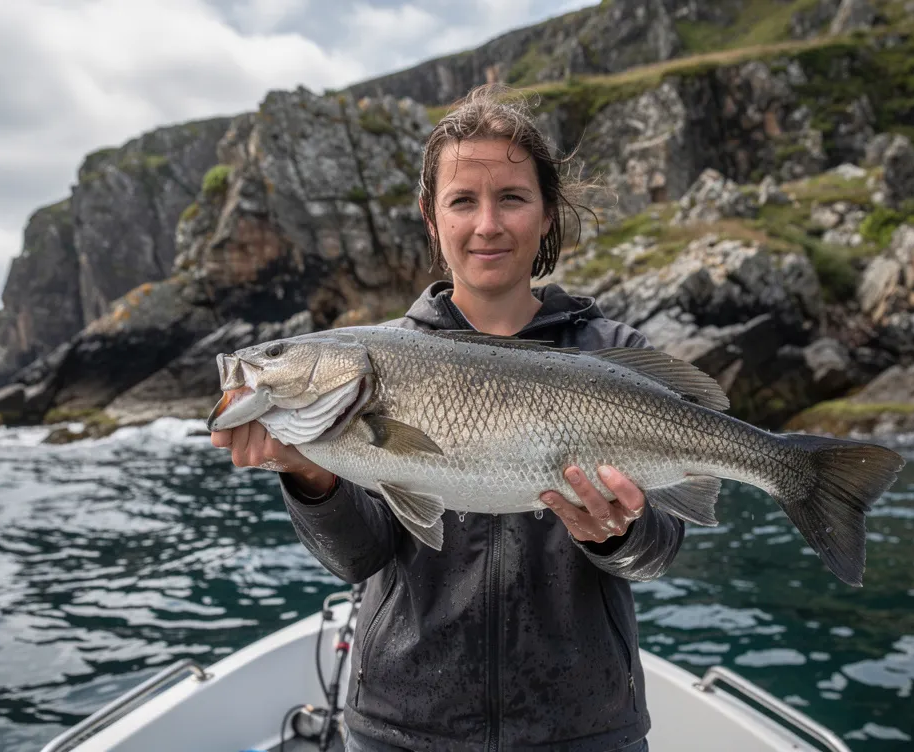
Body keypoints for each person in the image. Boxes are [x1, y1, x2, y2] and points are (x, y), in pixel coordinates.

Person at [210, 83, 684, 752]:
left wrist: (616, 535)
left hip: (585, 730)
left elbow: (659, 551)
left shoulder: (616, 358)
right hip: (400, 730)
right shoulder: (372, 364)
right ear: (433, 221)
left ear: (547, 214)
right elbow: (359, 558)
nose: (487, 224)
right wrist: (310, 477)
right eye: (463, 201)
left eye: (512, 198)